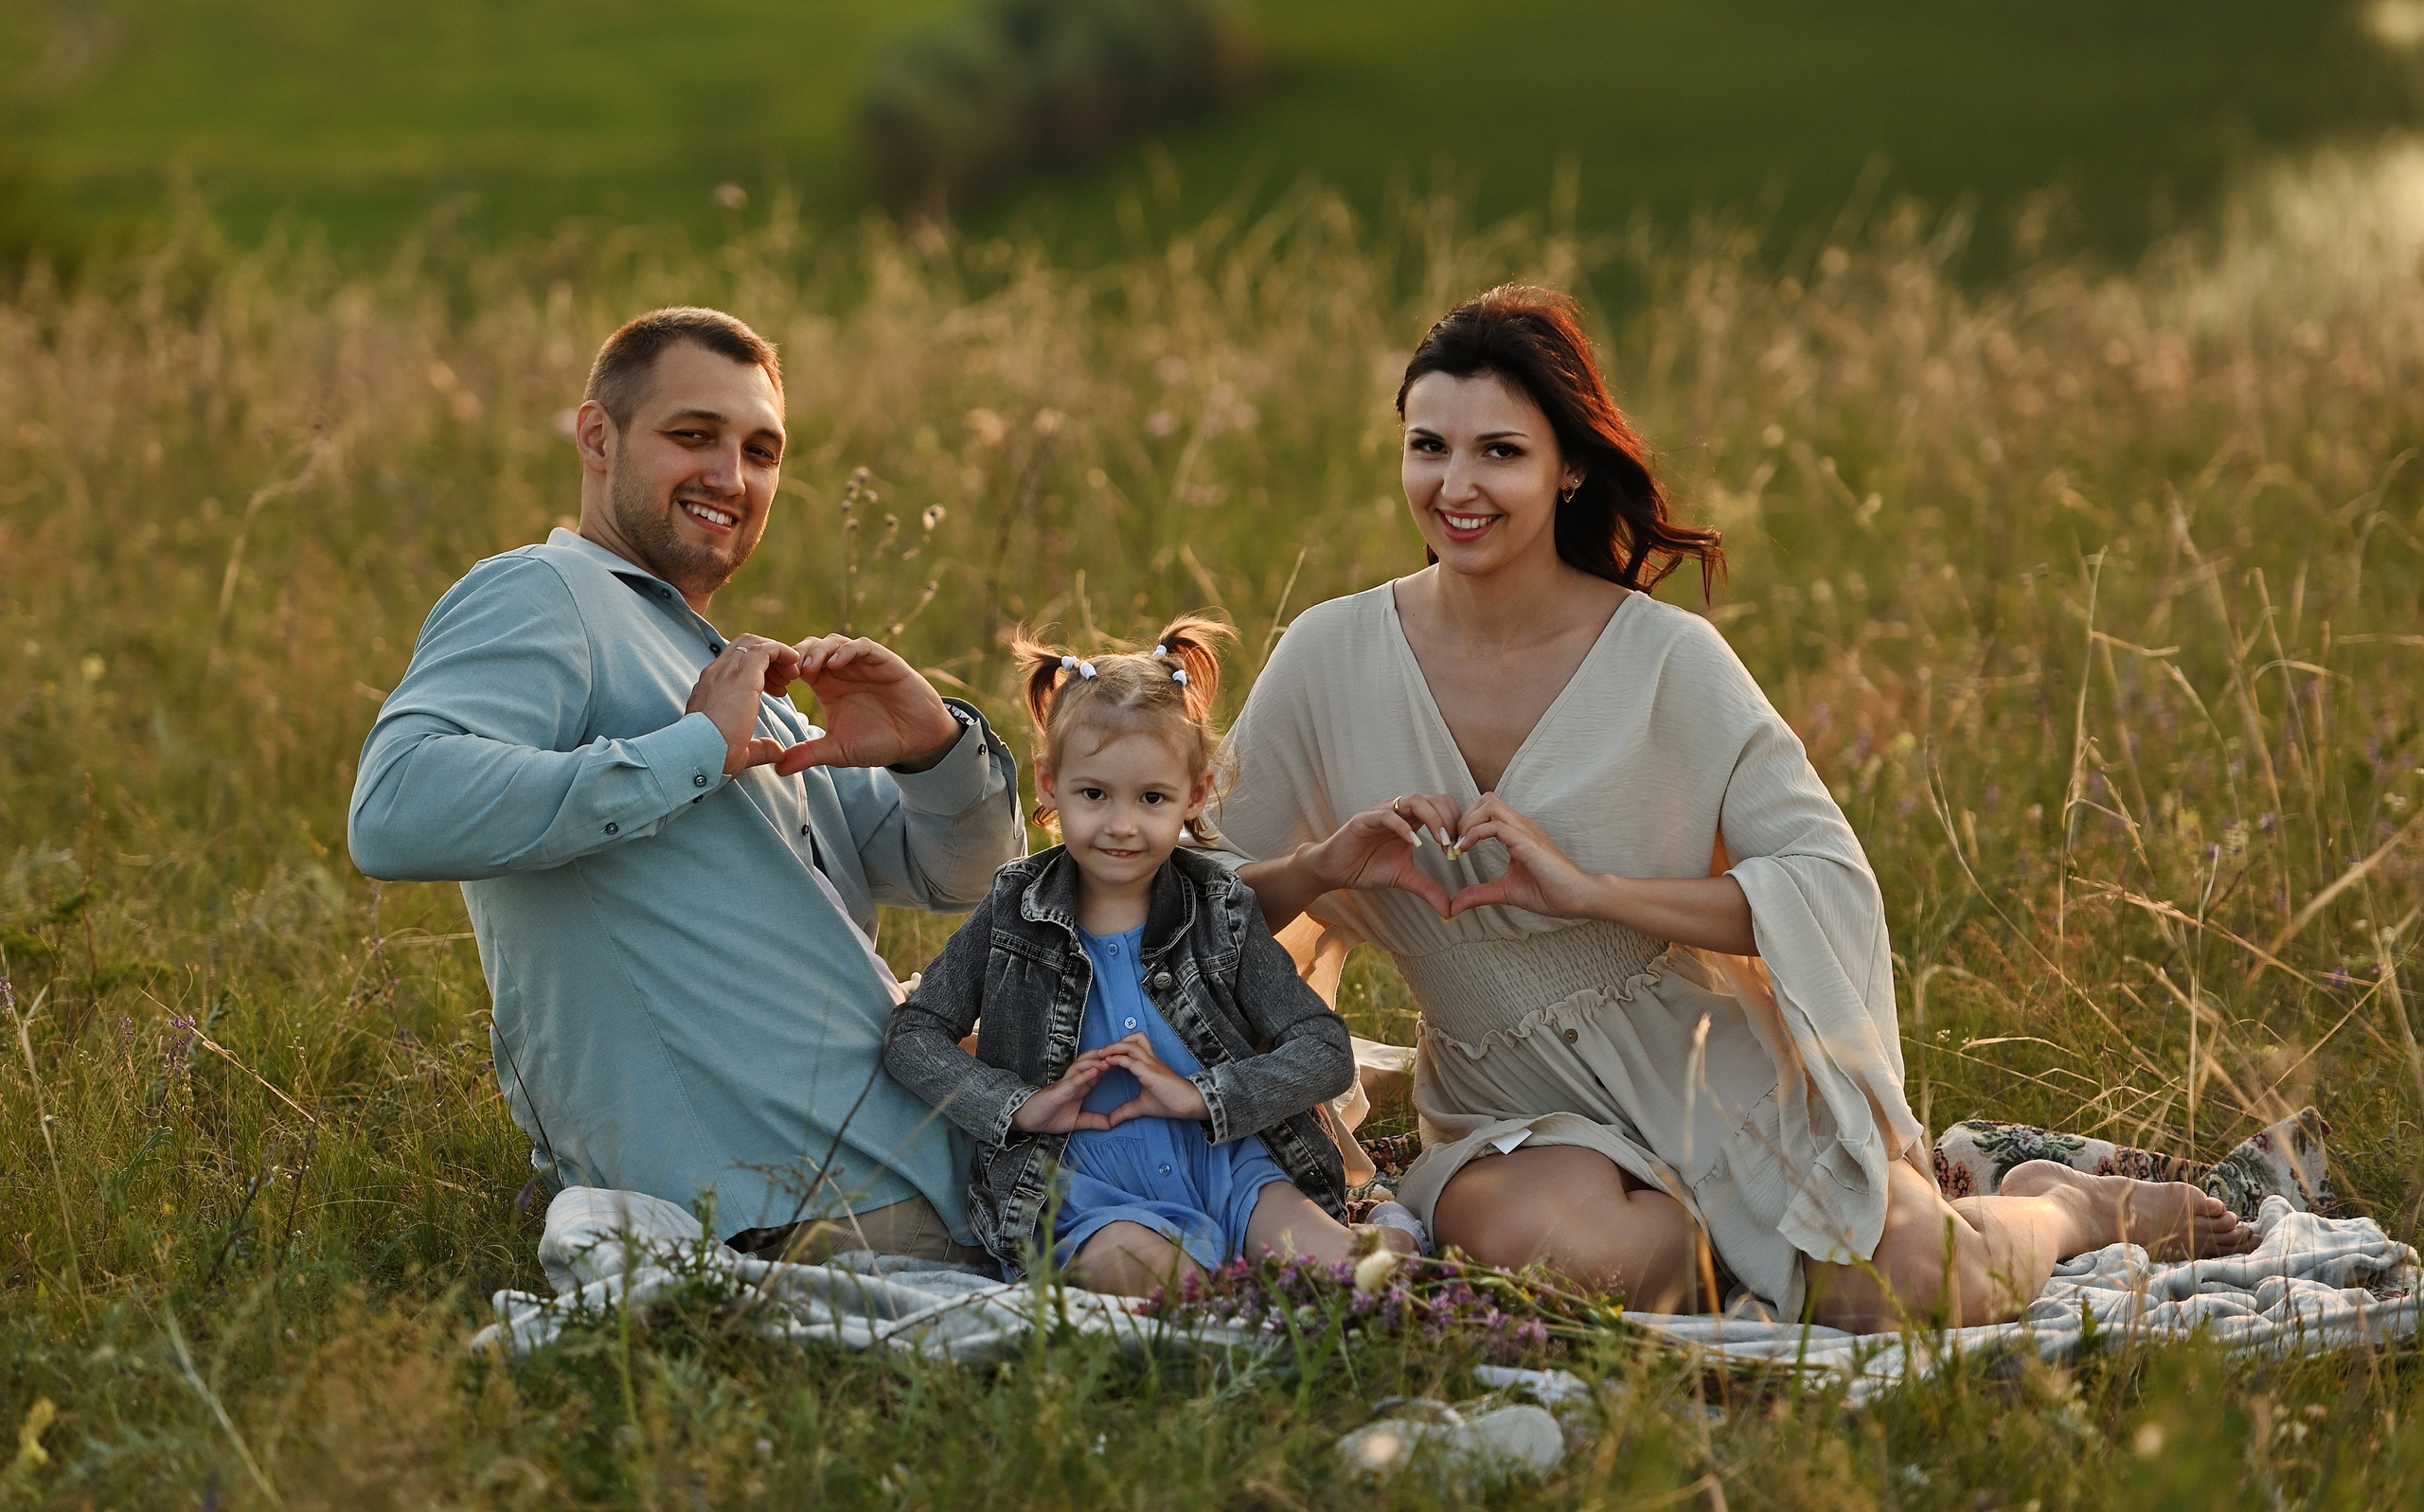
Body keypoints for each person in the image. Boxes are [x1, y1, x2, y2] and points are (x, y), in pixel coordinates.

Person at [1203, 284, 2254, 1330]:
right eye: (1428, 446)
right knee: (1573, 1257)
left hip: (1705, 1060)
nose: (1456, 485)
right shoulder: (1327, 656)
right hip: (1506, 1103)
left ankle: (2058, 1208)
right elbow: (1189, 899)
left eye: (1501, 453)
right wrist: (1323, 867)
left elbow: (1821, 881)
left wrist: (1595, 893)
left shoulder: (1666, 660)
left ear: (1570, 468)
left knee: (1918, 1292)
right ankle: (1765, 1257)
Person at [348, 307, 1023, 1263]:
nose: (730, 477)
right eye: (693, 436)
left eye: (760, 450)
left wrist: (936, 749)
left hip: (933, 1160)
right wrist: (695, 746)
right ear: (597, 438)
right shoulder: (543, 593)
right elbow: (395, 810)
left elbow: (960, 875)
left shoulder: (741, 682)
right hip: (789, 1197)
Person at [883, 619, 1420, 1292]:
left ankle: (1389, 1231)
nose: (1121, 824)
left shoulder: (1219, 905)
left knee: (1353, 1276)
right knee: (1165, 1285)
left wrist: (1203, 1094)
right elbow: (914, 1031)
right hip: (1084, 1184)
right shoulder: (1015, 906)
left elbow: (1323, 1048)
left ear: (1194, 795)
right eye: (1093, 793)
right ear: (1049, 785)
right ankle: (1234, 1294)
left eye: (1153, 798)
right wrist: (1020, 1106)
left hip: (1228, 1161)